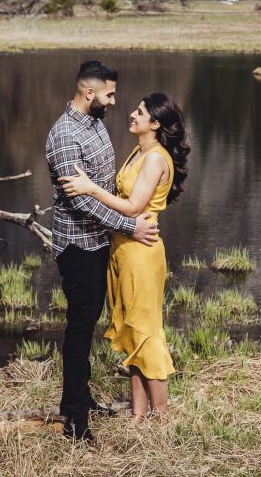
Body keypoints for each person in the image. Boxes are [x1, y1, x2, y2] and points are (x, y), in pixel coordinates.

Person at [45, 60, 158, 443]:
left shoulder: (94, 122)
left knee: (89, 323)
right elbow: (82, 203)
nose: (114, 102)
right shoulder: (63, 136)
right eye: (109, 94)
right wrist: (130, 225)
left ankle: (78, 397)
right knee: (80, 328)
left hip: (99, 242)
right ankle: (75, 421)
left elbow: (101, 185)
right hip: (77, 245)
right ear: (89, 92)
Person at [60, 92, 190, 421]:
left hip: (141, 253)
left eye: (140, 112)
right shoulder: (139, 150)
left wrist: (90, 188)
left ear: (156, 124)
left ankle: (160, 415)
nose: (132, 114)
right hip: (123, 249)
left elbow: (133, 208)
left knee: (146, 331)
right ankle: (138, 414)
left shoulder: (157, 159)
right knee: (133, 331)